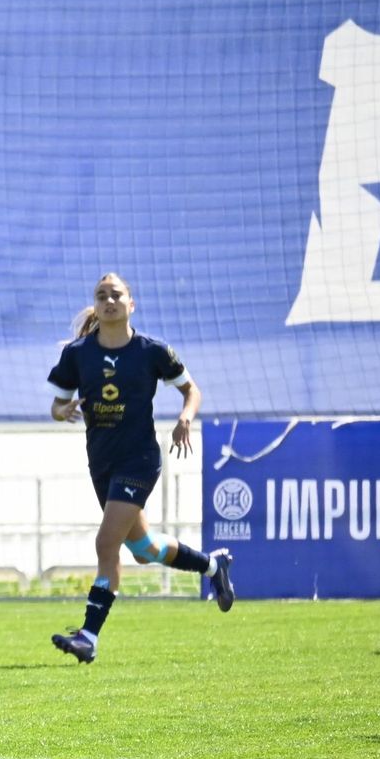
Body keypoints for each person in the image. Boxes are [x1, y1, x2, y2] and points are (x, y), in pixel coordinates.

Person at [46, 272, 235, 665]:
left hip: (140, 460)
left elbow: (191, 390)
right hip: (102, 462)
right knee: (144, 550)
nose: (108, 301)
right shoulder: (77, 354)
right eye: (101, 296)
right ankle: (213, 566)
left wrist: (185, 417)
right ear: (95, 305)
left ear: (131, 304)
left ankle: (88, 637)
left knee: (106, 544)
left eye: (116, 295)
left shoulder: (152, 351)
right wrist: (64, 411)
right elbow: (57, 406)